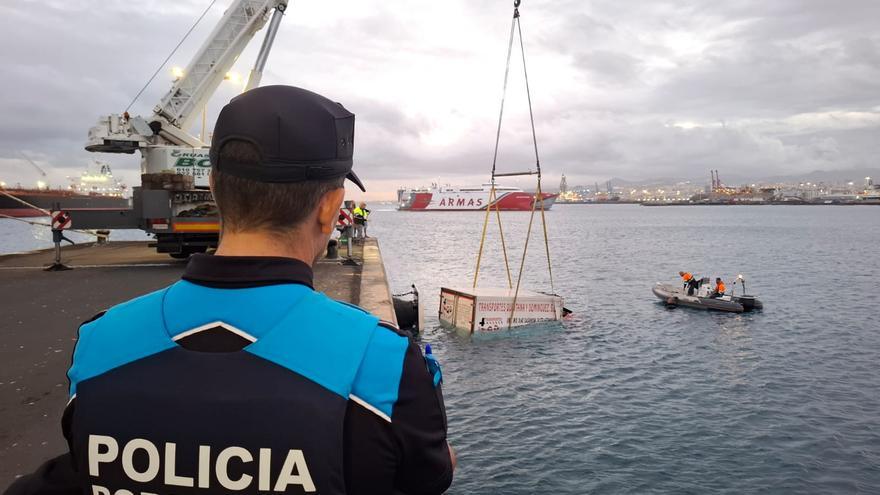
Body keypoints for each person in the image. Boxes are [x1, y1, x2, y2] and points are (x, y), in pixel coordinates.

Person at [7, 86, 454, 495]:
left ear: (216, 189)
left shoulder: (100, 343)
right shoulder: (381, 363)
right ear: (331, 209)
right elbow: (431, 476)